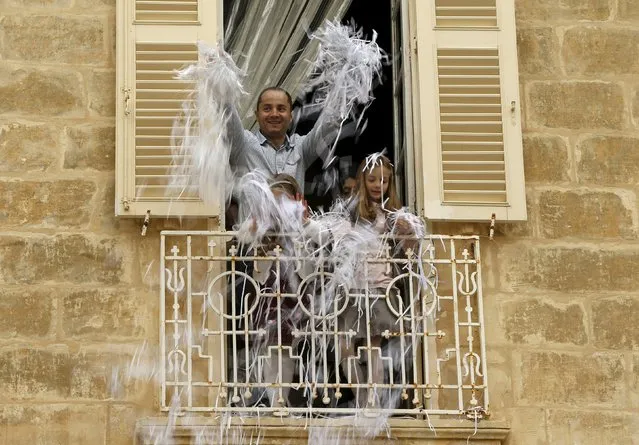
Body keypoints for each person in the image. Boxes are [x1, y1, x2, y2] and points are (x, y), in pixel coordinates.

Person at [338, 153, 413, 410]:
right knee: (344, 345)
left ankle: (373, 401)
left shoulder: (392, 213)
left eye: (383, 180)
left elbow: (409, 246)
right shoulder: (350, 211)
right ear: (362, 180)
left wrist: (407, 232)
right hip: (353, 286)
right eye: (372, 179)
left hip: (379, 284)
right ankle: (360, 395)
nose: (377, 185)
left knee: (372, 344)